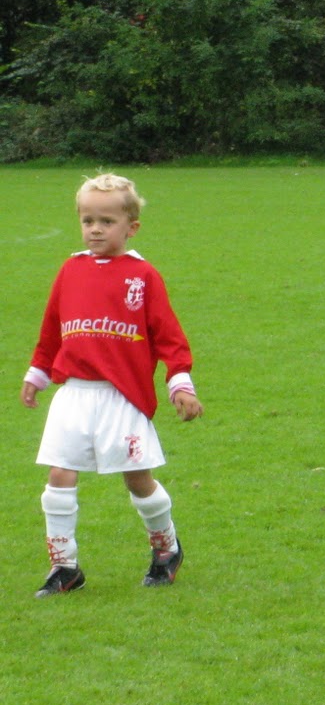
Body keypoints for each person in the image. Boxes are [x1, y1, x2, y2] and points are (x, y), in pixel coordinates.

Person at [20, 173, 204, 598]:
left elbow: (169, 337)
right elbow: (52, 328)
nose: (95, 229)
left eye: (106, 221)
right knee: (59, 474)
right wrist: (38, 372)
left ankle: (166, 549)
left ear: (131, 226)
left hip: (121, 397)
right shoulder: (70, 270)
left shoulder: (143, 276)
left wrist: (180, 382)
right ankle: (64, 567)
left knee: (137, 478)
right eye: (88, 220)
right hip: (74, 394)